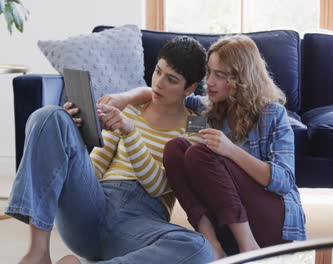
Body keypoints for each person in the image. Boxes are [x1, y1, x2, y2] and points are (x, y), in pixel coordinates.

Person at [6, 36, 215, 264]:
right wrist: (71, 136)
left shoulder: (196, 126)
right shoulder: (131, 108)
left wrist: (130, 132)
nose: (159, 83)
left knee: (199, 249)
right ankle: (38, 253)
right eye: (158, 71)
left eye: (171, 80)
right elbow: (95, 169)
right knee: (49, 116)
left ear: (190, 88)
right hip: (94, 206)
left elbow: (159, 187)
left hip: (139, 225)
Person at [112, 35, 306, 259]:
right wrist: (123, 97)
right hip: (226, 225)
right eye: (209, 72)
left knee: (199, 152)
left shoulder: (271, 114)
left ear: (242, 78)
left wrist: (231, 151)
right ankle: (213, 245)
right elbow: (163, 94)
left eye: (220, 75)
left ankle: (249, 248)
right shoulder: (206, 113)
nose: (209, 82)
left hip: (272, 223)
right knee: (176, 148)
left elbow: (283, 181)